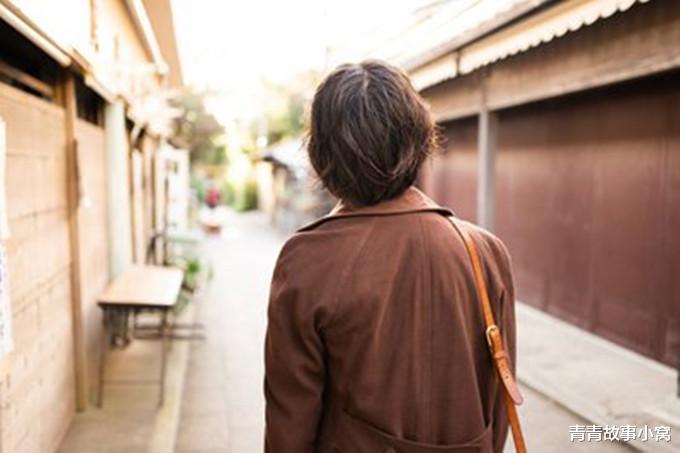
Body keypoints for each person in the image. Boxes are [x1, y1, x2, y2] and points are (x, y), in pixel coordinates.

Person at [264, 60, 517, 453]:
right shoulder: (485, 251)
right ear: (419, 141)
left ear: (320, 153)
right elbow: (498, 404)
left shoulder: (308, 259)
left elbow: (290, 423)